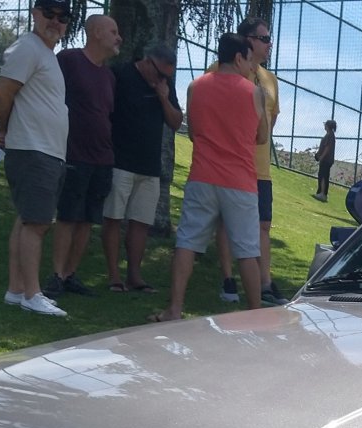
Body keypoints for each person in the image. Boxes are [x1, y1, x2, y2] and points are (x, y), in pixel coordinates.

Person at [149, 33, 267, 321]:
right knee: (248, 251)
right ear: (239, 57)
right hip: (239, 182)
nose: (251, 67)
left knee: (187, 242)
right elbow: (262, 137)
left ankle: (174, 309)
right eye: (249, 61)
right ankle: (256, 315)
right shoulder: (253, 91)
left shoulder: (195, 87)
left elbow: (193, 133)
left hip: (202, 176)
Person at [0, 0, 71, 316]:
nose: (56, 21)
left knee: (27, 220)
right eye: (49, 14)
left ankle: (16, 290)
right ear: (35, 14)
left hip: (46, 150)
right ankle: (32, 294)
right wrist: (2, 129)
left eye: (63, 17)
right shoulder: (28, 48)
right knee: (37, 224)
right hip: (34, 150)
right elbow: (2, 93)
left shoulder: (45, 54)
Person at [43, 14, 122, 300]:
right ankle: (56, 275)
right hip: (74, 153)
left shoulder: (109, 76)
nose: (119, 37)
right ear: (97, 33)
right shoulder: (69, 61)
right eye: (113, 31)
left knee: (88, 218)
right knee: (67, 216)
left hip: (103, 158)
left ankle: (70, 275)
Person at [212, 16, 283, 306]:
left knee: (262, 224)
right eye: (264, 39)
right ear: (248, 40)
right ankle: (228, 279)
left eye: (269, 39)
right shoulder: (219, 70)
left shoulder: (270, 79)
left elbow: (271, 120)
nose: (269, 45)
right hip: (230, 164)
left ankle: (265, 284)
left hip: (260, 169)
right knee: (227, 223)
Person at [102, 44, 182, 292]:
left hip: (150, 166)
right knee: (113, 218)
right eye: (159, 74)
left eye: (167, 76)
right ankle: (114, 276)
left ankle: (134, 276)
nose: (162, 79)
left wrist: (162, 95)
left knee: (141, 222)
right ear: (147, 62)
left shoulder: (164, 86)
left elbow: (176, 122)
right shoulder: (120, 74)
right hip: (120, 161)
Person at [313, 118, 335, 202]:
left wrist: (322, 157)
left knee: (323, 176)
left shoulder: (330, 135)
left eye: (325, 124)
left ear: (328, 126)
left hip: (326, 160)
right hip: (325, 159)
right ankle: (320, 192)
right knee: (321, 175)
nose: (324, 126)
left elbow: (327, 148)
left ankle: (323, 194)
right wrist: (318, 154)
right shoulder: (328, 135)